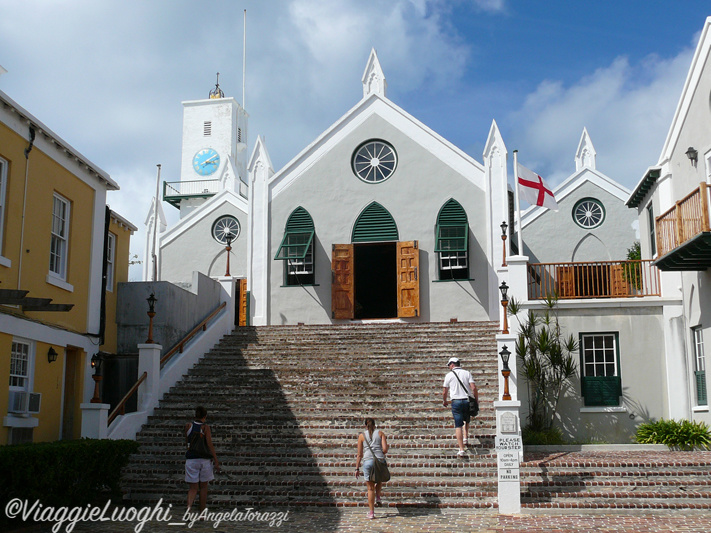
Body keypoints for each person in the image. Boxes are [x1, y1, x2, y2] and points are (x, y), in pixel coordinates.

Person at [185, 406, 220, 512]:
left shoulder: (188, 426)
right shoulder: (205, 428)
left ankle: (189, 507)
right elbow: (209, 444)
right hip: (204, 460)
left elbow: (187, 443)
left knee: (193, 488)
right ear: (205, 416)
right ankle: (202, 512)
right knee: (204, 487)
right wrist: (216, 460)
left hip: (191, 459)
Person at [442, 357, 478, 456]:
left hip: (456, 401)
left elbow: (445, 391)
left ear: (452, 364)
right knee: (467, 419)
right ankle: (466, 438)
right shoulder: (467, 373)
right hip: (467, 400)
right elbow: (473, 388)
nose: (449, 367)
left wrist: (444, 400)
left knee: (458, 424)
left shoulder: (448, 375)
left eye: (449, 365)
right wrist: (476, 400)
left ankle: (461, 449)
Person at [354, 418, 389, 520]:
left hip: (368, 461)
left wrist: (357, 468)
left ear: (365, 426)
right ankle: (378, 496)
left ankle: (371, 513)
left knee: (370, 488)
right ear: (375, 425)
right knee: (379, 478)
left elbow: (359, 454)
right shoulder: (380, 433)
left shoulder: (361, 436)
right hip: (379, 460)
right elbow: (385, 450)